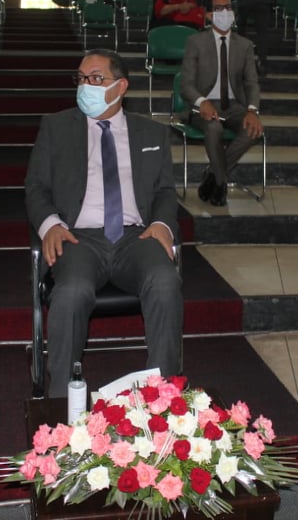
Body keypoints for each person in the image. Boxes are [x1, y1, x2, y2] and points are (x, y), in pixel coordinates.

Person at [24, 49, 182, 397]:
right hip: (78, 238)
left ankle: (163, 396)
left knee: (164, 281)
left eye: (96, 78)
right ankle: (62, 401)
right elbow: (35, 187)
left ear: (120, 86)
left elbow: (165, 191)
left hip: (136, 237)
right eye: (81, 78)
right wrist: (50, 224)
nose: (85, 86)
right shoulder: (56, 127)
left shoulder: (152, 133)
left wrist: (161, 223)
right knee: (72, 291)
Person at [180, 0, 263, 207]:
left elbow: (252, 82)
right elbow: (186, 84)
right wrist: (202, 101)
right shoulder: (195, 42)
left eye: (228, 8)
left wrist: (252, 110)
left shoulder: (244, 45)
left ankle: (214, 173)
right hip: (203, 106)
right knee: (214, 128)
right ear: (209, 15)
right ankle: (220, 183)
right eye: (219, 9)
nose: (225, 13)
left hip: (234, 106)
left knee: (252, 130)